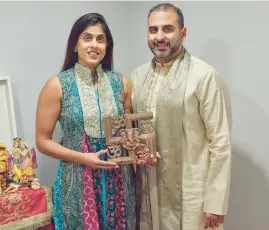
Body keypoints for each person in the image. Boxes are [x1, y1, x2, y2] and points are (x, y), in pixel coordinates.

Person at [130, 3, 232, 230]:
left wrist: (215, 202)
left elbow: (221, 142)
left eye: (168, 29)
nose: (159, 37)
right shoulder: (137, 77)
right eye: (153, 30)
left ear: (183, 33)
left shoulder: (204, 76)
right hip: (150, 191)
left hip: (192, 195)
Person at [35, 13, 136, 230]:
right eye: (87, 38)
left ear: (107, 45)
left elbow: (131, 133)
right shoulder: (57, 85)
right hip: (78, 180)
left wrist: (144, 151)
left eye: (100, 39)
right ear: (75, 44)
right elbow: (42, 141)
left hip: (118, 179)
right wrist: (84, 158)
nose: (94, 45)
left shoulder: (123, 83)